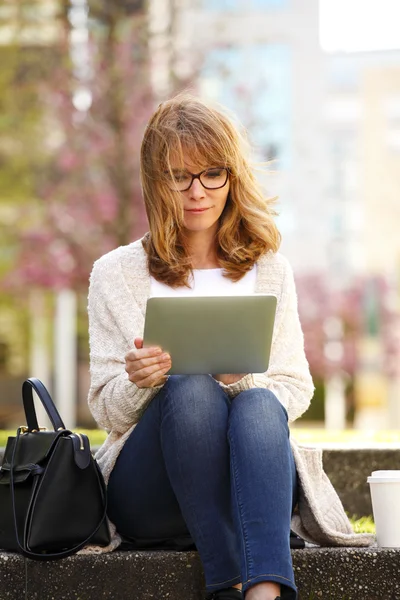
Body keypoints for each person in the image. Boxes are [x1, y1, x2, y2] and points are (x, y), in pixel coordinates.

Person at [87, 94, 373, 600]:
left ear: (231, 177)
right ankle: (230, 581)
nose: (197, 192)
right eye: (179, 176)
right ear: (157, 182)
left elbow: (295, 387)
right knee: (190, 388)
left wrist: (238, 381)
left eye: (212, 174)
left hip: (250, 477)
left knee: (260, 401)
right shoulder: (116, 273)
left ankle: (263, 592)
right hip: (153, 489)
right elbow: (104, 407)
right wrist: (139, 382)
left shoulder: (269, 271)